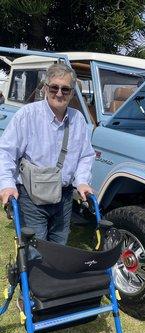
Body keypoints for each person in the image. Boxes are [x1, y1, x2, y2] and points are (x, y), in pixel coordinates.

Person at [0, 63, 95, 249]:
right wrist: (7, 185)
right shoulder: (27, 115)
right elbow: (6, 152)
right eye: (54, 87)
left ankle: (54, 278)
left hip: (64, 196)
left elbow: (86, 155)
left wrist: (82, 181)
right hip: (31, 195)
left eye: (65, 89)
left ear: (72, 92)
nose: (59, 93)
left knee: (59, 247)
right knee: (36, 248)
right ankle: (33, 277)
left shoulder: (78, 120)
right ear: (45, 88)